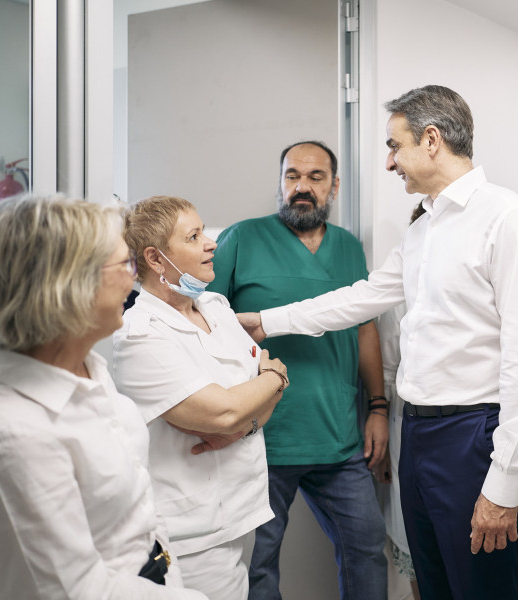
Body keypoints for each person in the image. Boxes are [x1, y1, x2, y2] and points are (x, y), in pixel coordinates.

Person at [238, 85, 518, 600]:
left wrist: (504, 483)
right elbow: (361, 298)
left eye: (394, 146)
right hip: (420, 435)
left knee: (481, 587)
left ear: (431, 140)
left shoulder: (506, 219)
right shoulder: (424, 230)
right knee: (432, 583)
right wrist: (266, 322)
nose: (389, 162)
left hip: (474, 436)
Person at [0, 195, 205, 599]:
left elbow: (138, 507)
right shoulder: (0, 439)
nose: (133, 279)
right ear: (66, 287)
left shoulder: (85, 367)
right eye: (125, 265)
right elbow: (73, 592)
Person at [207, 141, 388, 600]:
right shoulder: (241, 238)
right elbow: (204, 321)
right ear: (280, 182)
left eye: (315, 177)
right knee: (258, 564)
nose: (302, 187)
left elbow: (365, 329)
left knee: (367, 550)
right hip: (262, 439)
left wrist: (378, 407)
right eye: (292, 176)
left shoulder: (349, 247)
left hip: (339, 440)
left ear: (334, 186)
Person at [112, 195, 287, 600]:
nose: (211, 244)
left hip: (243, 510)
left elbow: (248, 408)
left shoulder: (216, 307)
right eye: (193, 237)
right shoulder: (140, 334)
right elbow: (224, 413)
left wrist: (255, 404)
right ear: (155, 259)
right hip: (193, 534)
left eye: (204, 232)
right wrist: (275, 377)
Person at [372, 202, 427, 600]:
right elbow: (389, 372)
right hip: (406, 427)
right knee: (414, 540)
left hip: (468, 430)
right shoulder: (398, 296)